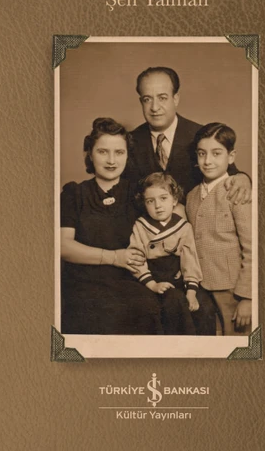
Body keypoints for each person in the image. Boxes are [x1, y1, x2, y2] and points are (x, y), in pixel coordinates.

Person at [60, 117, 162, 335]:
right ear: (90, 154)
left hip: (131, 281)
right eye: (102, 152)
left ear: (127, 155)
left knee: (147, 308)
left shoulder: (139, 194)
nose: (111, 160)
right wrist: (115, 257)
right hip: (84, 284)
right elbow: (63, 246)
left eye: (119, 152)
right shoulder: (74, 194)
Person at [126, 66, 251, 201]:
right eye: (147, 99)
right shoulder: (129, 141)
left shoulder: (202, 135)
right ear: (141, 102)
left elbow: (232, 172)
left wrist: (243, 178)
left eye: (162, 98)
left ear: (175, 99)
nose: (154, 107)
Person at [128, 172, 216, 335]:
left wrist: (191, 291)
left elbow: (190, 260)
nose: (158, 206)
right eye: (150, 201)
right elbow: (136, 258)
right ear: (144, 203)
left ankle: (204, 347)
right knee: (174, 302)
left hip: (179, 277)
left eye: (163, 198)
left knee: (204, 306)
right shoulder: (140, 226)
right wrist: (152, 285)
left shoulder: (184, 227)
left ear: (174, 200)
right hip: (151, 279)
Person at [186, 123, 252, 336]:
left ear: (231, 157)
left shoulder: (237, 191)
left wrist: (248, 297)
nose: (207, 161)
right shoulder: (191, 196)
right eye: (202, 153)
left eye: (216, 153)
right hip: (201, 289)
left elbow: (252, 248)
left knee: (236, 341)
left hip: (232, 289)